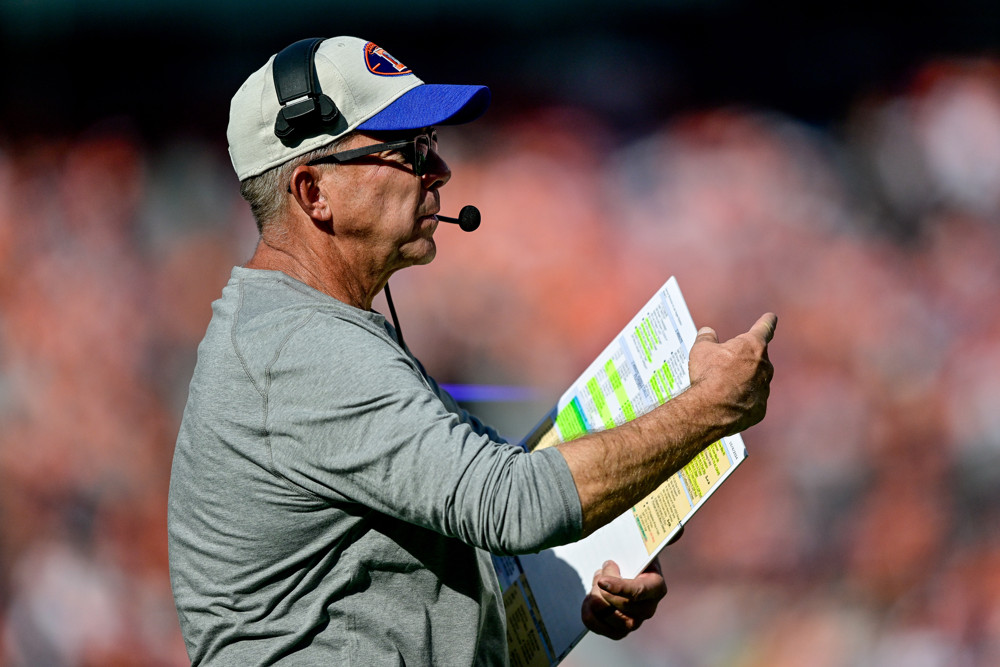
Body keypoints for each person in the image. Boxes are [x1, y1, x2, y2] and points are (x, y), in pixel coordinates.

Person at [167, 36, 776, 666]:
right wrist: (708, 408)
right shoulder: (299, 347)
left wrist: (591, 574)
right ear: (313, 193)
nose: (440, 172)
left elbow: (491, 504)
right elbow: (514, 504)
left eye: (430, 145)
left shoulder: (305, 329)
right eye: (406, 151)